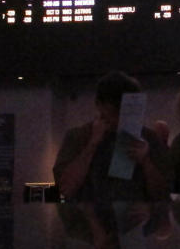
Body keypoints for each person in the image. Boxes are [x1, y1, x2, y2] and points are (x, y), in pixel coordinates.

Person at [53, 71, 169, 203]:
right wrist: (92, 144)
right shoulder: (78, 136)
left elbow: (163, 195)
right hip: (86, 220)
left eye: (127, 110)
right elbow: (65, 191)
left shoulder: (148, 137)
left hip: (137, 220)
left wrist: (146, 161)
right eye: (116, 111)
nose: (121, 117)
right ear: (99, 105)